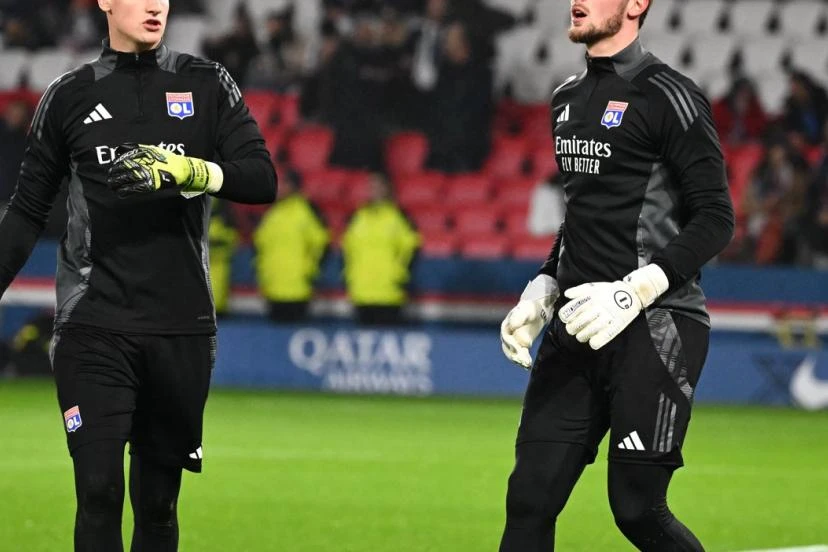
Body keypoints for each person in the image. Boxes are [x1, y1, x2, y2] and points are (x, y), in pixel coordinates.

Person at [0, 0, 277, 550]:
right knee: (98, 490)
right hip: (93, 323)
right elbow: (28, 210)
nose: (155, 5)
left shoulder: (206, 82)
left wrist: (192, 170)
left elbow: (261, 179)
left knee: (157, 506)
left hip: (181, 327)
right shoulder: (70, 94)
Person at [497, 0, 734, 550]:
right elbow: (582, 216)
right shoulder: (565, 99)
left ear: (636, 5)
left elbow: (717, 218)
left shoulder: (669, 95)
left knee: (636, 510)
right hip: (577, 329)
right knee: (528, 500)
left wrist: (638, 289)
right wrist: (545, 283)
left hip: (656, 329)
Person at [342, 173, 420, 325]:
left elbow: (413, 248)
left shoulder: (399, 217)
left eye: (378, 186)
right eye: (371, 186)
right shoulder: (358, 216)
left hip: (389, 292)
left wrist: (400, 275)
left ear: (388, 188)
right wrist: (349, 276)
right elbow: (348, 249)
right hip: (361, 291)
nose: (374, 190)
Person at [253, 170, 330, 323]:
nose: (279, 188)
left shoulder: (306, 211)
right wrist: (263, 277)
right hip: (273, 288)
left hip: (299, 288)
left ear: (294, 186)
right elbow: (260, 246)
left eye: (284, 183)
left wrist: (309, 272)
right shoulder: (271, 213)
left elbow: (322, 244)